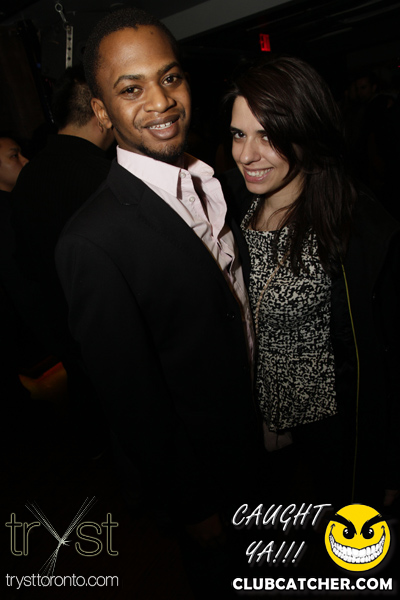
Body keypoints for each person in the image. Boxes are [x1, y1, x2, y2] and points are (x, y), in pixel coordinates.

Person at [55, 8, 261, 594]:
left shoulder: (215, 182)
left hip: (259, 439)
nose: (162, 101)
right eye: (131, 88)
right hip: (207, 477)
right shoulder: (92, 242)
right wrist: (192, 504)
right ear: (101, 111)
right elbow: (132, 400)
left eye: (170, 78)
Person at [222, 56, 400, 511]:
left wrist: (389, 466)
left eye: (268, 136)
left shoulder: (353, 228)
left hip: (330, 427)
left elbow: (387, 355)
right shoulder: (232, 207)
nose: (246, 155)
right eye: (239, 134)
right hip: (258, 420)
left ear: (307, 133)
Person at [10, 66, 114, 457]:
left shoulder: (29, 176)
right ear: (101, 111)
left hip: (61, 326)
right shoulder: (107, 176)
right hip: (110, 332)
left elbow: (26, 264)